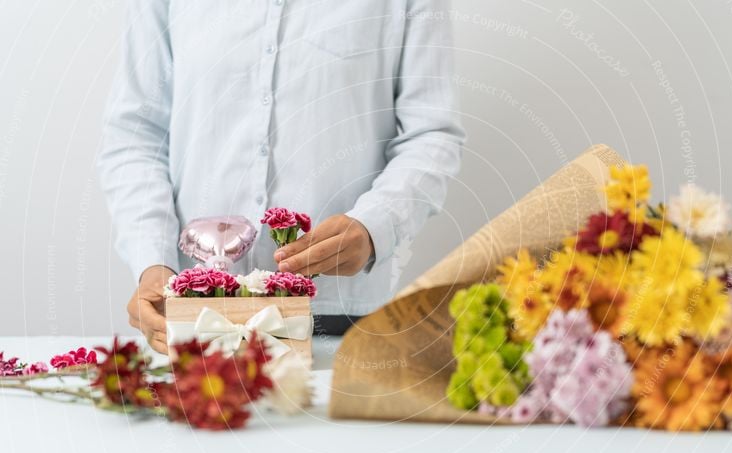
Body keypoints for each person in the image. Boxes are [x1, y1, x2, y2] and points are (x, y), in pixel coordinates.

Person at [98, 0, 465, 353]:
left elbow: (431, 134)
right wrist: (152, 261)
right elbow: (135, 136)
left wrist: (374, 227)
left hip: (338, 321)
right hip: (193, 311)